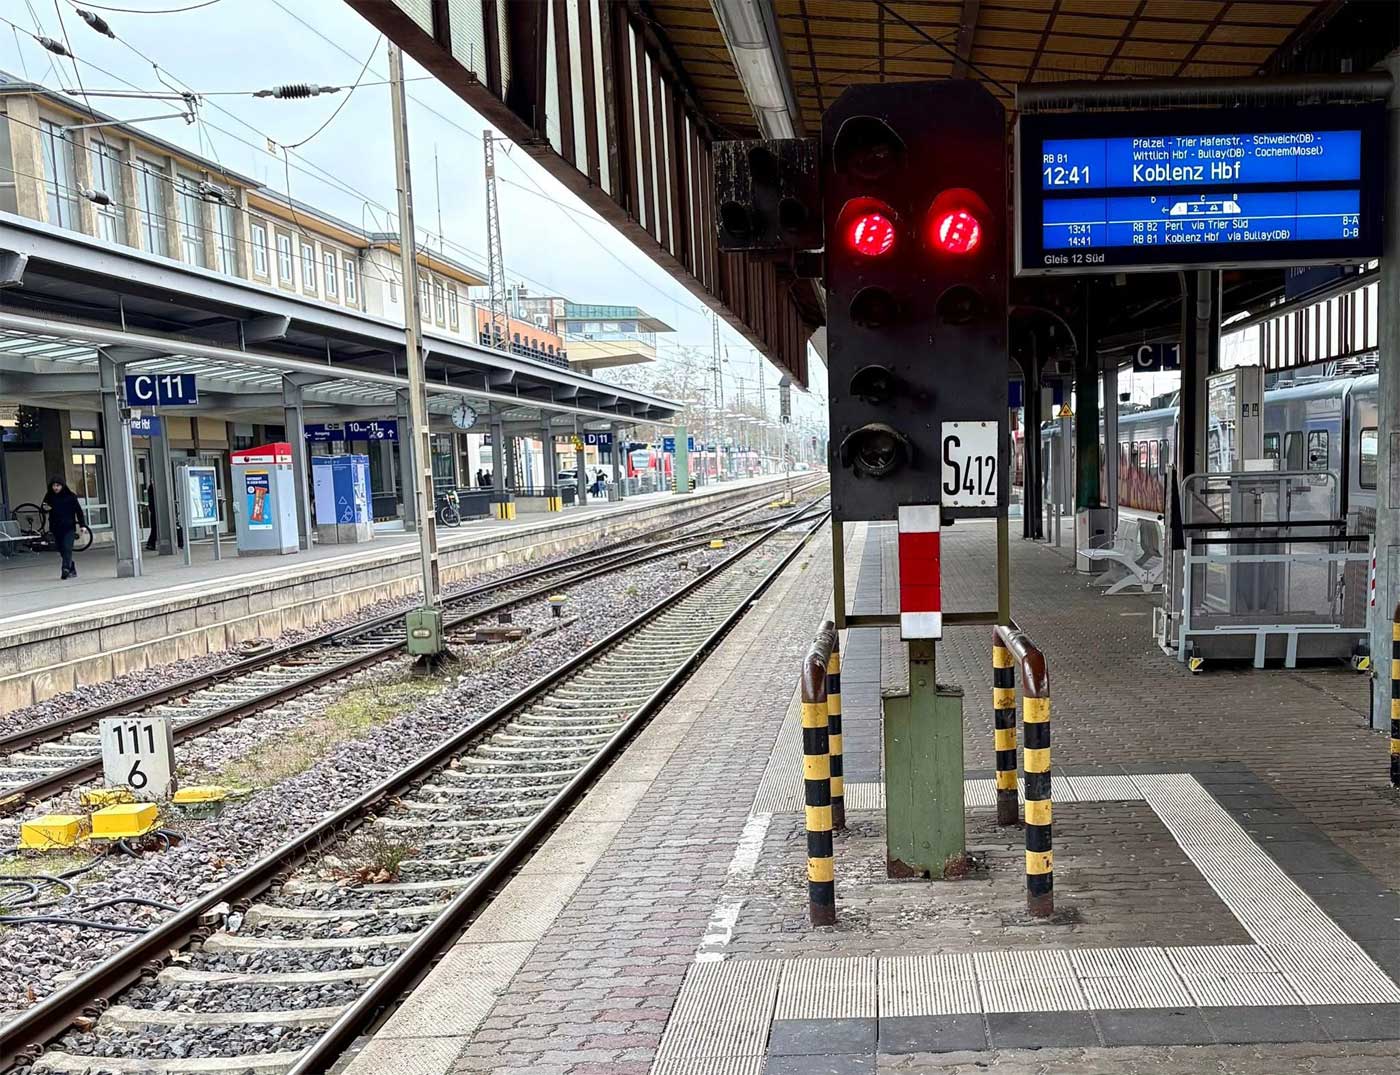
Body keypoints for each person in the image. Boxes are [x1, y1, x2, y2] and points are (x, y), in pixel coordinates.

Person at [43, 477, 85, 580]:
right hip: (55, 528)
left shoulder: (71, 497)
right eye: (54, 486)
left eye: (58, 485)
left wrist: (82, 525)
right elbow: (43, 508)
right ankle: (71, 567)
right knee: (61, 549)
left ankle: (65, 569)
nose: (55, 488)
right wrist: (45, 508)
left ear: (62, 486)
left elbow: (78, 511)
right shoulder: (49, 496)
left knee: (67, 548)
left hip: (69, 527)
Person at [144, 481, 158, 551]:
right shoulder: (154, 487)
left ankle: (151, 543)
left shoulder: (151, 487)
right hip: (155, 511)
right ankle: (151, 543)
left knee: (154, 528)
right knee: (155, 528)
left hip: (154, 511)